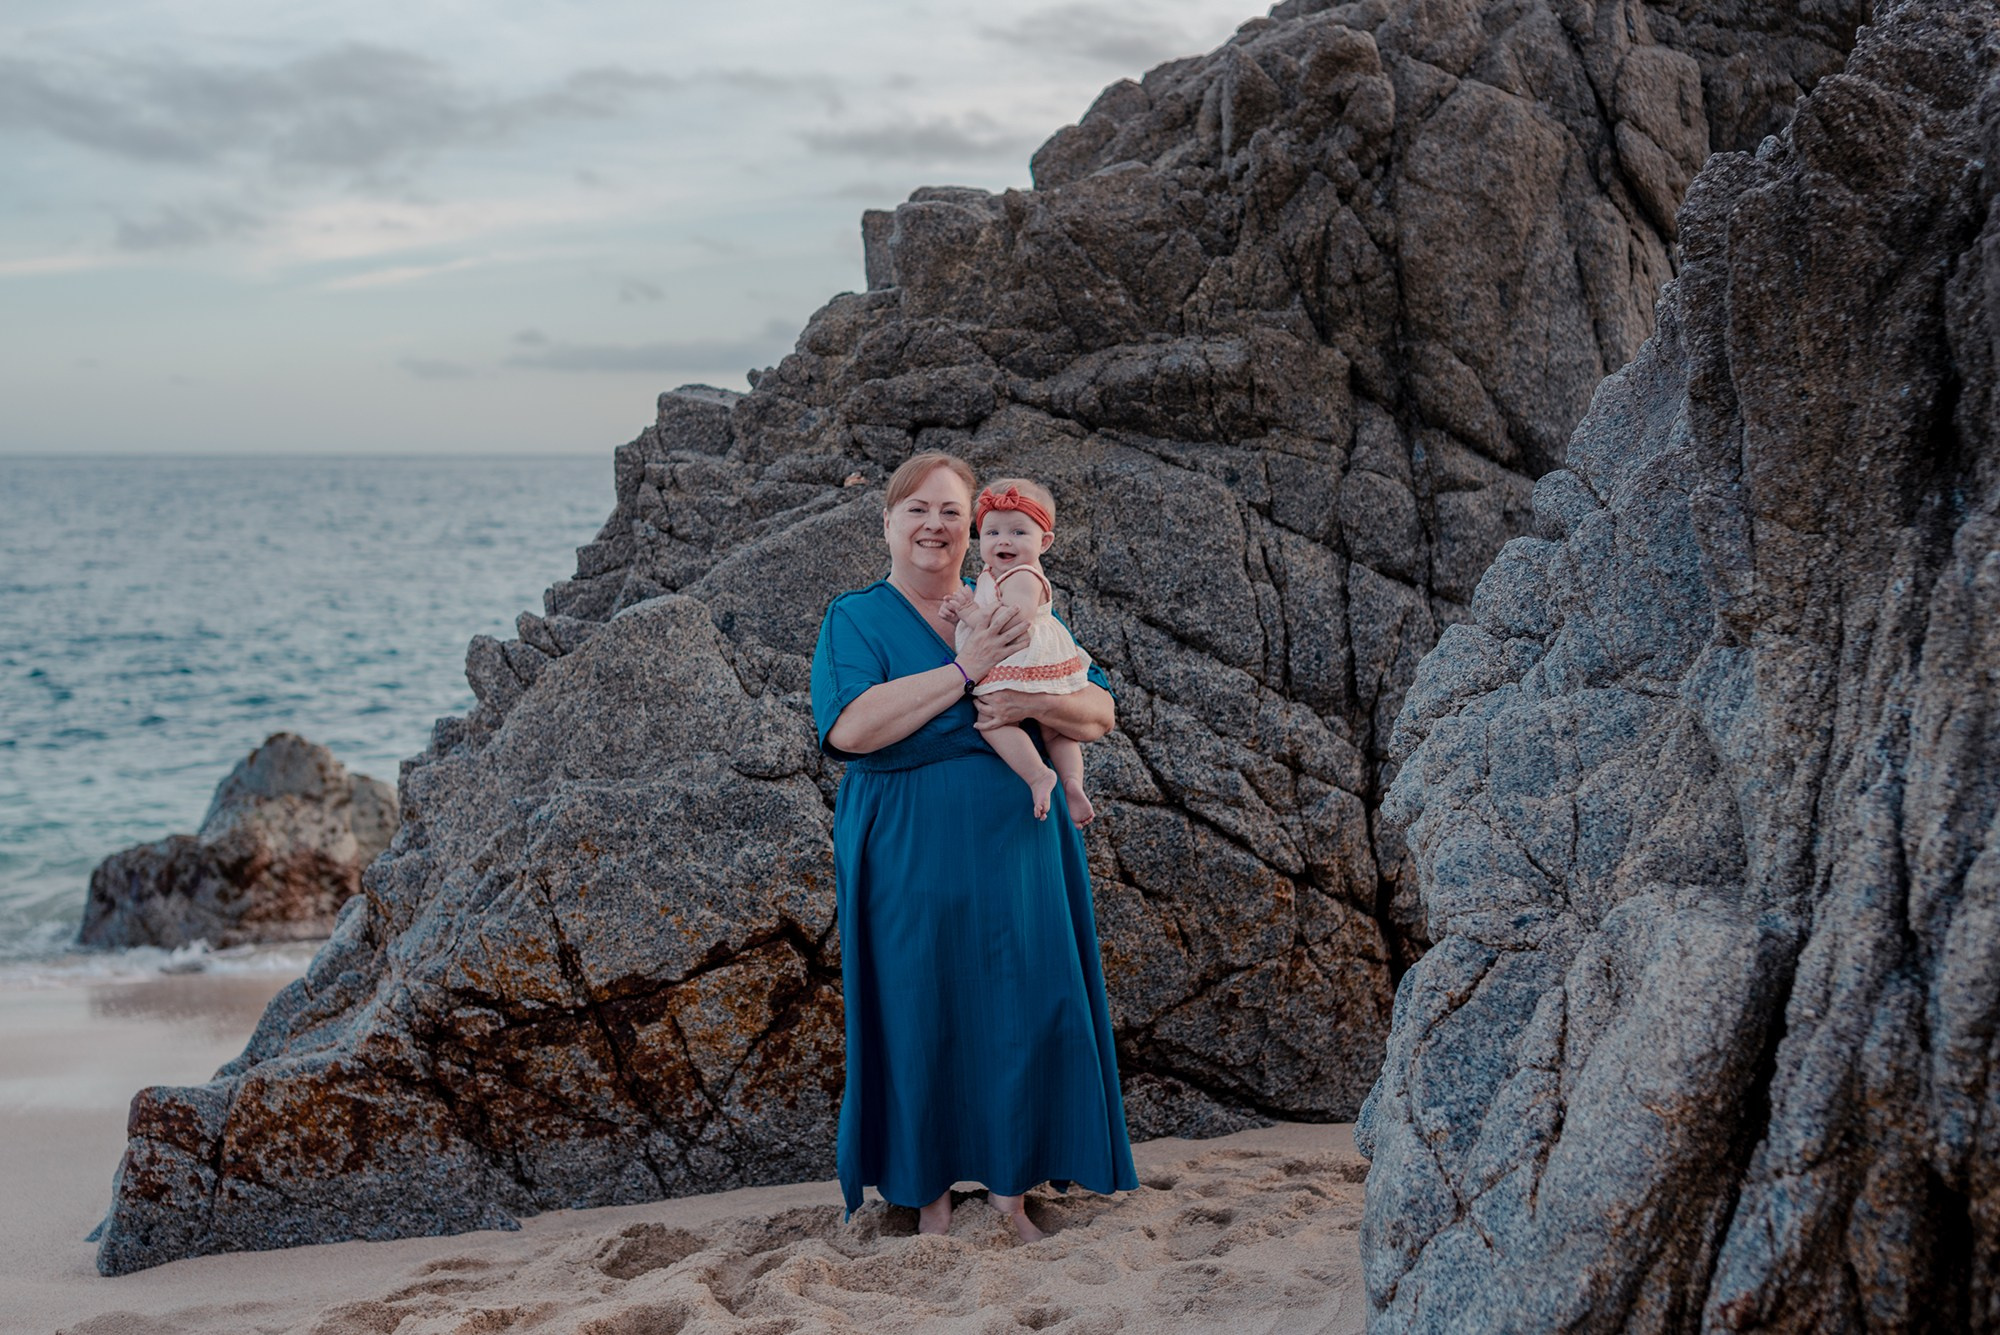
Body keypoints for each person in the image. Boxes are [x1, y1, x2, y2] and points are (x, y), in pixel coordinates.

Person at [810, 450, 1139, 1243]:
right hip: (906, 854)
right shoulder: (855, 617)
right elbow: (851, 728)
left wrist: (1023, 694)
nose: (934, 525)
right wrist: (966, 671)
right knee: (920, 1010)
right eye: (916, 509)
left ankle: (1010, 1195)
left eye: (951, 511)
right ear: (887, 522)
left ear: (974, 527)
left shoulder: (1002, 602)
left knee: (1019, 1013)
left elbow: (1096, 710)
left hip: (1019, 851)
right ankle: (926, 1196)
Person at [940, 477, 1096, 827]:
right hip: (1020, 660)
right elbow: (981, 617)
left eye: (1018, 533)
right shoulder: (990, 575)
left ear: (1045, 542)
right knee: (1055, 731)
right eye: (992, 533)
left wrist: (968, 614)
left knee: (993, 721)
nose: (1004, 540)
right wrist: (959, 616)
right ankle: (1071, 781)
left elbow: (1011, 621)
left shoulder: (1024, 575)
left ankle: (1039, 775)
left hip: (1023, 660)